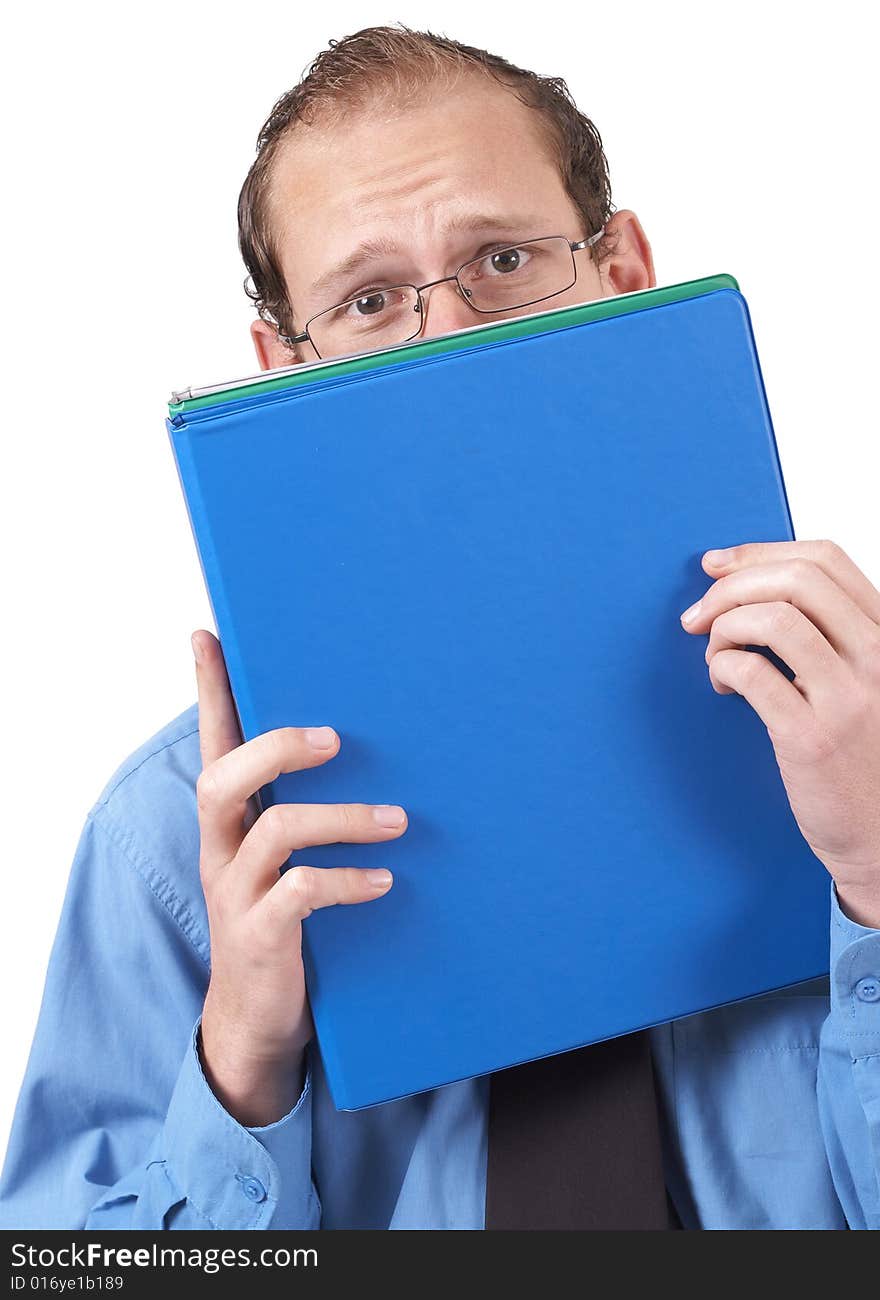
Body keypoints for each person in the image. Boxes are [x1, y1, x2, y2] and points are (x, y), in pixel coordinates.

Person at [2, 25, 880, 1232]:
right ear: (283, 368)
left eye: (506, 258)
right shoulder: (166, 845)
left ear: (623, 271)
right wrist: (239, 1072)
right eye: (368, 301)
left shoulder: (859, 727)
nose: (452, 338)